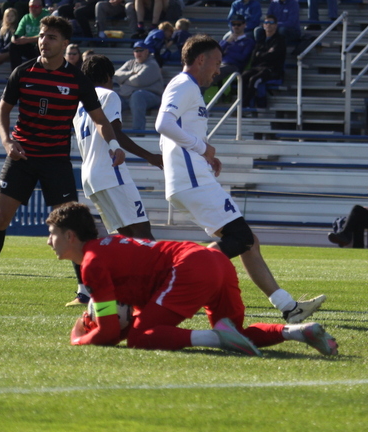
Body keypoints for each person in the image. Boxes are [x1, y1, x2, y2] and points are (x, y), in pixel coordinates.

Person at [155, 35, 326, 323]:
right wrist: (202, 148)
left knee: (249, 241)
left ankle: (289, 307)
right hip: (191, 180)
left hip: (193, 177)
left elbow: (179, 131)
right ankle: (176, 277)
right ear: (200, 60)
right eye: (216, 63)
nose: (218, 70)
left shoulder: (187, 88)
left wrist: (205, 155)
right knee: (241, 238)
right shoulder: (184, 84)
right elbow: (163, 123)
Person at [0, 16, 126, 303]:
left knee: (71, 224)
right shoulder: (23, 72)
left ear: (65, 43)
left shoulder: (76, 79)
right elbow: (2, 112)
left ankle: (84, 292)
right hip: (22, 157)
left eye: (51, 37)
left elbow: (100, 118)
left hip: (56, 161)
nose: (43, 41)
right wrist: (8, 141)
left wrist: (113, 144)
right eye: (42, 35)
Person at [47, 202, 339, 356]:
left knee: (139, 339)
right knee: (235, 333)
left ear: (70, 236)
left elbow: (110, 333)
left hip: (189, 266)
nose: (49, 242)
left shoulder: (92, 264)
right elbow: (128, 309)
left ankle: (214, 338)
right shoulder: (107, 248)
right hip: (213, 261)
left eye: (53, 234)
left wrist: (78, 339)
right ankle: (298, 331)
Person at [74, 54, 163, 238]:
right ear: (108, 76)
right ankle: (161, 268)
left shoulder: (79, 104)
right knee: (142, 230)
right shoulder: (108, 95)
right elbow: (115, 132)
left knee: (126, 234)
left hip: (90, 177)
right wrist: (149, 156)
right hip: (110, 171)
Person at [113, 40, 164, 131]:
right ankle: (110, 132)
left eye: (141, 50)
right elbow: (116, 75)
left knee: (137, 96)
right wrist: (131, 73)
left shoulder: (152, 64)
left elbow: (138, 81)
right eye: (136, 51)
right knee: (112, 98)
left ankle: (138, 132)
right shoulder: (130, 63)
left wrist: (124, 81)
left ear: (147, 51)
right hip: (127, 96)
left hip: (151, 96)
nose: (138, 53)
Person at [241, 15, 285, 108]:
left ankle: (245, 105)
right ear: (263, 25)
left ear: (276, 25)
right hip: (258, 67)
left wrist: (260, 54)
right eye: (266, 23)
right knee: (243, 76)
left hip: (272, 70)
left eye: (271, 23)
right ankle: (240, 103)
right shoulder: (261, 40)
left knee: (254, 79)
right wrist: (264, 54)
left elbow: (273, 56)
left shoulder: (279, 40)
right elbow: (254, 57)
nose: (268, 25)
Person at [212, 15, 254, 86]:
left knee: (214, 73)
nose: (236, 26)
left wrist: (227, 52)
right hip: (220, 64)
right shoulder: (226, 40)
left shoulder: (248, 41)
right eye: (234, 24)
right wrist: (227, 42)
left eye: (239, 24)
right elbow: (215, 53)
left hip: (233, 66)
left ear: (244, 25)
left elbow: (243, 57)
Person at [9, 0, 47, 70]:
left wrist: (28, 40)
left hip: (42, 46)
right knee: (13, 45)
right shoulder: (26, 17)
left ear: (41, 7)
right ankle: (15, 72)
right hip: (29, 46)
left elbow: (46, 36)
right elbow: (18, 33)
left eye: (36, 6)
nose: (33, 8)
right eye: (31, 6)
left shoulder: (47, 17)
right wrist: (14, 38)